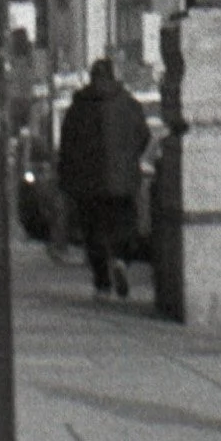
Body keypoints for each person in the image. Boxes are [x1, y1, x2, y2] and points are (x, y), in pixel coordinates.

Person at [56, 57, 151, 300]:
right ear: (112, 75)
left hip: (88, 184)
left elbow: (67, 146)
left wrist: (67, 178)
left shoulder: (78, 108)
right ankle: (121, 260)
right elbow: (143, 136)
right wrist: (129, 160)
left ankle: (102, 283)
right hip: (123, 181)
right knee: (125, 226)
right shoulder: (129, 104)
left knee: (94, 232)